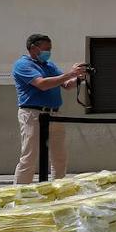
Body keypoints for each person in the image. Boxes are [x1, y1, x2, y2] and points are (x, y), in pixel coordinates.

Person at [12, 33, 88, 184]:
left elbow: (66, 85)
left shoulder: (49, 65)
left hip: (54, 113)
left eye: (50, 49)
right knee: (29, 156)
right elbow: (42, 84)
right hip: (33, 114)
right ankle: (18, 193)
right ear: (33, 48)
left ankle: (58, 189)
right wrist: (70, 73)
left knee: (59, 156)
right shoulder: (23, 64)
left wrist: (78, 78)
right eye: (46, 49)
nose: (49, 52)